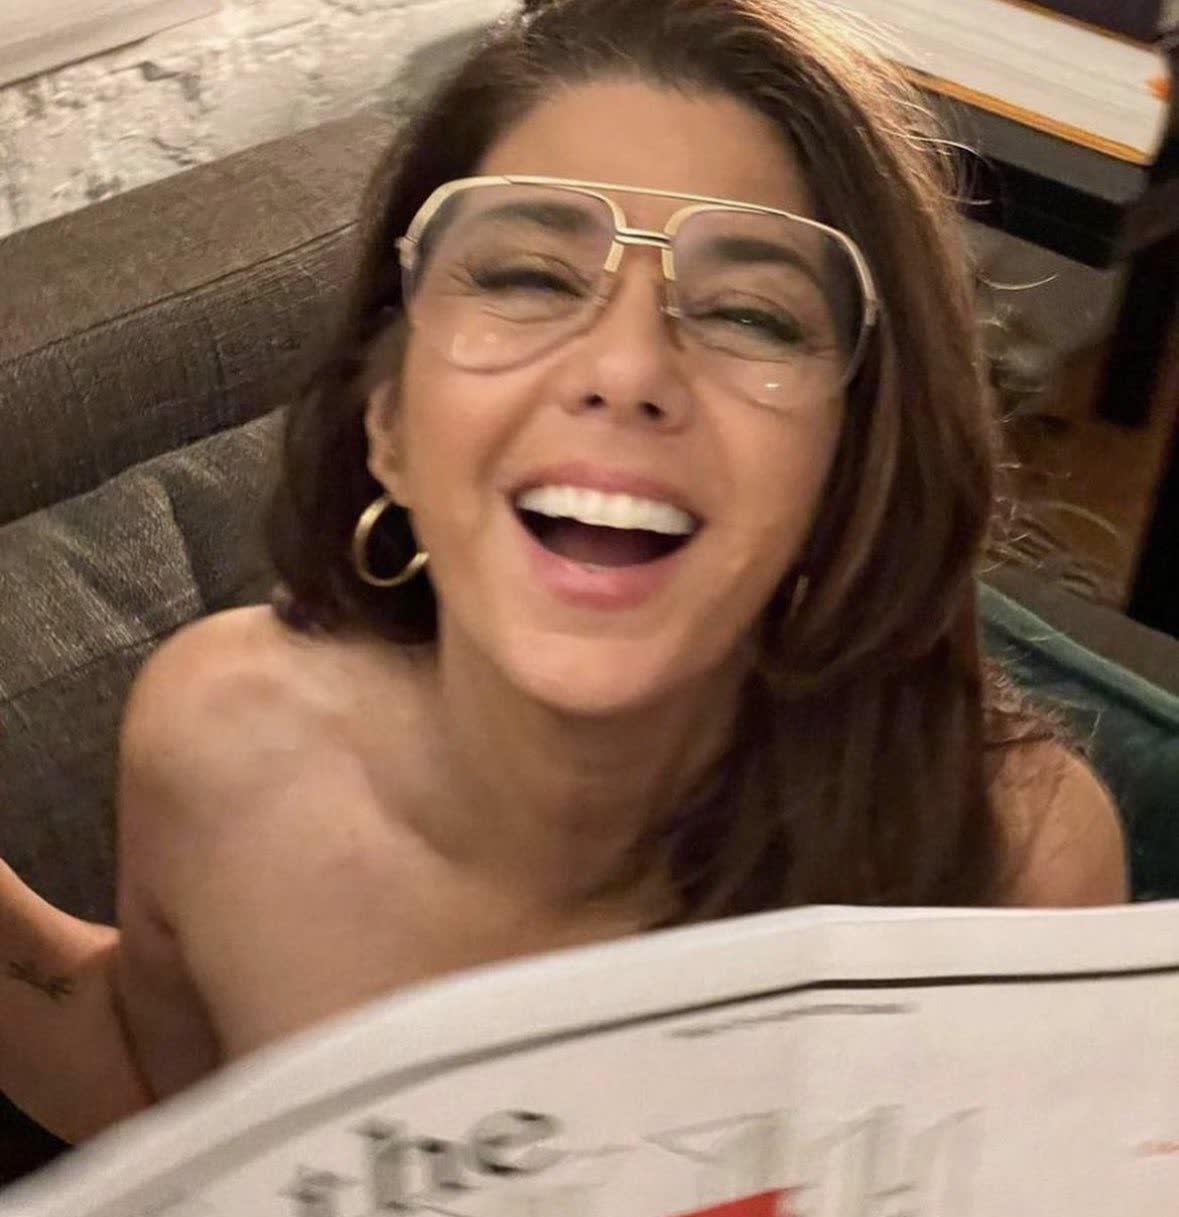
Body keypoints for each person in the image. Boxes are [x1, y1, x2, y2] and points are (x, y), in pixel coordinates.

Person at [0, 0, 1126, 1147]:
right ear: (387, 416)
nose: (626, 367)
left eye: (749, 313)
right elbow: (181, 1135)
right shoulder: (214, 740)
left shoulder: (1017, 864)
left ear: (850, 462)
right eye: (530, 279)